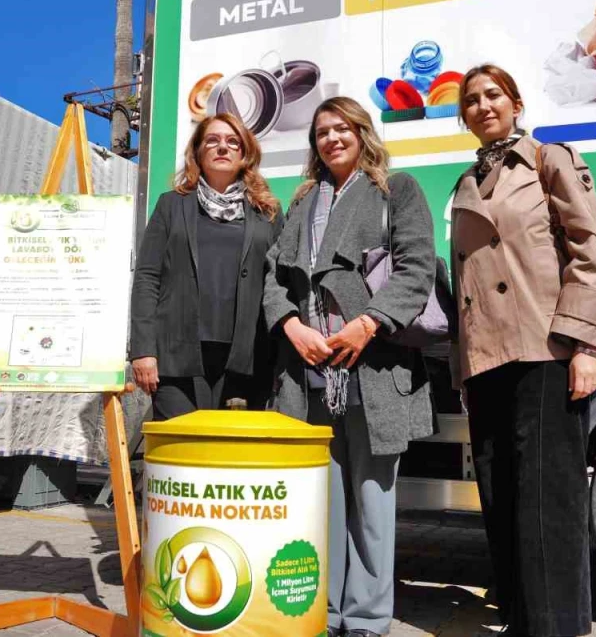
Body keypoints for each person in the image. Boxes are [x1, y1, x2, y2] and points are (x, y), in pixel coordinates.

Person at [450, 64, 596, 637]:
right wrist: (463, 370)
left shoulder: (550, 159)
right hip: (488, 361)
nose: (482, 105)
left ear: (515, 102)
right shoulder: (465, 183)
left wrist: (586, 344)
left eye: (493, 94)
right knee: (503, 505)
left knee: (548, 506)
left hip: (547, 349)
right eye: (470, 100)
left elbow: (592, 254)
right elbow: (463, 283)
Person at [264, 96, 436, 637]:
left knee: (371, 500)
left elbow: (416, 268)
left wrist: (367, 324)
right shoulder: (302, 202)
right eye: (322, 132)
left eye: (343, 129)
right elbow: (273, 277)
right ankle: (325, 612)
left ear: (362, 134)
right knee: (323, 502)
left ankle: (364, 618)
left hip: (373, 368)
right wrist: (292, 326)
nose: (332, 138)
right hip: (308, 371)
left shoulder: (396, 190)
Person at [130, 114, 283, 417]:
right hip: (177, 358)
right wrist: (143, 350)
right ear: (198, 151)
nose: (222, 148)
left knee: (233, 457)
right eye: (212, 140)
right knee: (181, 456)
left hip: (248, 358)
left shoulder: (268, 213)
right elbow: (148, 277)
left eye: (232, 142)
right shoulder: (171, 205)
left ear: (245, 153)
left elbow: (280, 282)